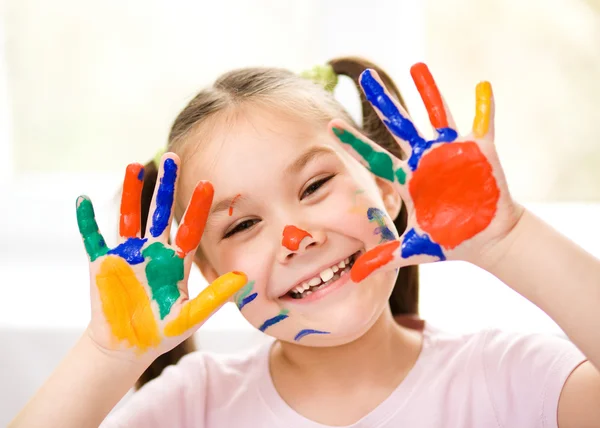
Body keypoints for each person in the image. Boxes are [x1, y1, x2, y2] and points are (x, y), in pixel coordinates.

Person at [10, 57, 600, 428]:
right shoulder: (192, 406)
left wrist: (509, 239)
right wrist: (107, 356)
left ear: (388, 186)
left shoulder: (510, 379)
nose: (298, 237)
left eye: (315, 185)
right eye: (241, 225)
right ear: (207, 274)